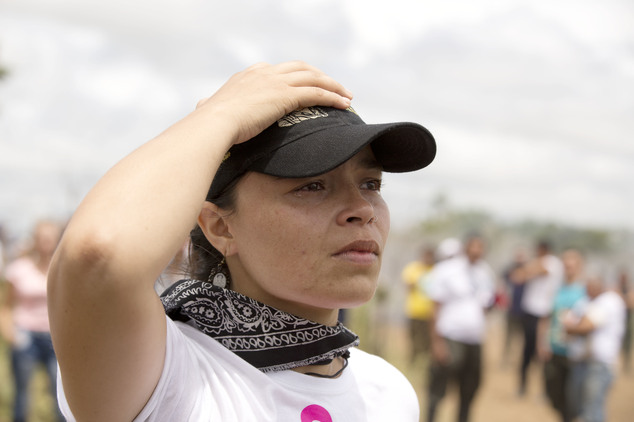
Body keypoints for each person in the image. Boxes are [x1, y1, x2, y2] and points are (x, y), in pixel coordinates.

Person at [47, 61, 437, 421]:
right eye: (313, 185)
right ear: (220, 227)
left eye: (371, 183)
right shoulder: (165, 376)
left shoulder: (387, 392)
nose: (362, 208)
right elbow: (99, 256)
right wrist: (220, 115)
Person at [425, 233, 495, 422]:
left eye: (480, 248)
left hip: (474, 340)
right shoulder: (447, 270)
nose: (476, 252)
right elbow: (435, 308)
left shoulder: (485, 272)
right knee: (438, 389)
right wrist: (437, 343)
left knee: (469, 389)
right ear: (465, 248)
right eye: (473, 247)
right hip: (450, 337)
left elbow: (486, 304)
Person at [0, 220, 64, 422]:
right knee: (22, 392)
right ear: (34, 240)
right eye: (41, 237)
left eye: (50, 237)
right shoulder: (19, 269)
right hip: (25, 334)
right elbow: (6, 306)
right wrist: (12, 335)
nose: (46, 242)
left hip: (54, 337)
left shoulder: (64, 269)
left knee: (60, 393)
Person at [564, 275, 626, 422]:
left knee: (592, 410)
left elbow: (586, 326)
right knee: (579, 408)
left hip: (600, 364)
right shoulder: (586, 301)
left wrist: (574, 326)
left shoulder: (610, 300)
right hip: (581, 362)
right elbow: (568, 323)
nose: (589, 289)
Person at [538, 249, 586, 422]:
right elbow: (545, 318)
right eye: (565, 265)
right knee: (554, 394)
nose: (568, 269)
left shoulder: (585, 291)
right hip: (554, 350)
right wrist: (542, 343)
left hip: (575, 355)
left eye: (572, 266)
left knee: (573, 398)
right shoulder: (555, 290)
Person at [512, 239, 563, 396]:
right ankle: (523, 387)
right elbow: (517, 277)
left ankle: (544, 391)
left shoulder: (552, 263)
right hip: (531, 312)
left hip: (545, 313)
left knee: (543, 351)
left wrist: (528, 267)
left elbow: (533, 272)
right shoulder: (537, 263)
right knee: (527, 351)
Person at [401, 245, 435, 364]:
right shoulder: (413, 268)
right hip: (414, 311)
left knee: (427, 341)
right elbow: (408, 285)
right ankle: (413, 362)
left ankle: (424, 362)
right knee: (414, 339)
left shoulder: (436, 270)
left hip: (430, 313)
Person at [500, 248, 527, 368]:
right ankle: (505, 360)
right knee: (508, 337)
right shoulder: (510, 270)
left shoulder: (528, 270)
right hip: (511, 310)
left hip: (524, 311)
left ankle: (518, 361)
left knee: (522, 338)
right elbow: (503, 283)